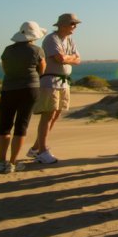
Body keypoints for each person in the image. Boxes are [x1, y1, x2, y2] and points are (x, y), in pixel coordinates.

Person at [0, 21, 46, 173]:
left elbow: (5, 69)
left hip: (9, 89)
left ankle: (2, 159)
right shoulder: (37, 50)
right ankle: (12, 162)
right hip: (30, 89)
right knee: (21, 125)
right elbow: (42, 70)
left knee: (4, 125)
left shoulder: (8, 50)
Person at [28, 13, 82, 164]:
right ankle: (42, 151)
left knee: (55, 115)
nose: (75, 27)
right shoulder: (52, 39)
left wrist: (68, 58)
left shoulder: (69, 39)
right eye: (72, 24)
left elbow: (78, 59)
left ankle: (36, 148)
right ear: (62, 25)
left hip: (63, 82)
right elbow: (60, 58)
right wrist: (68, 58)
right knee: (48, 115)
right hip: (50, 81)